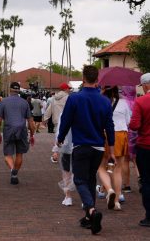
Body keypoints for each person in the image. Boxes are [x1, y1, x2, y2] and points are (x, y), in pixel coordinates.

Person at [58, 65, 115, 235]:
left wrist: (60, 138)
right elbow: (109, 127)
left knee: (80, 180)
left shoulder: (75, 98)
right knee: (90, 179)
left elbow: (66, 120)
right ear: (98, 79)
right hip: (98, 146)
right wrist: (111, 150)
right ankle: (89, 218)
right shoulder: (105, 101)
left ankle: (91, 210)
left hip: (81, 145)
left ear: (83, 78)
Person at [0, 82, 35, 185]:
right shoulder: (24, 102)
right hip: (22, 129)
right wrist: (32, 135)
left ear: (10, 90)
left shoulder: (3, 102)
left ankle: (13, 170)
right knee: (19, 153)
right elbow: (30, 120)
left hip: (9, 129)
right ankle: (15, 173)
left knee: (8, 154)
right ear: (18, 91)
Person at [129, 73, 150, 227]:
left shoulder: (141, 101)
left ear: (145, 85)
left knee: (147, 181)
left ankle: (149, 216)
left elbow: (135, 125)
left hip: (145, 146)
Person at [44, 83, 71, 163]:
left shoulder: (53, 98)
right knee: (67, 137)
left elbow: (49, 110)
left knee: (58, 137)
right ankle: (66, 155)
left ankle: (55, 154)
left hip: (56, 120)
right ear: (65, 89)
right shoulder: (69, 98)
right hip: (67, 120)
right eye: (69, 88)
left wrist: (45, 119)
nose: (69, 90)